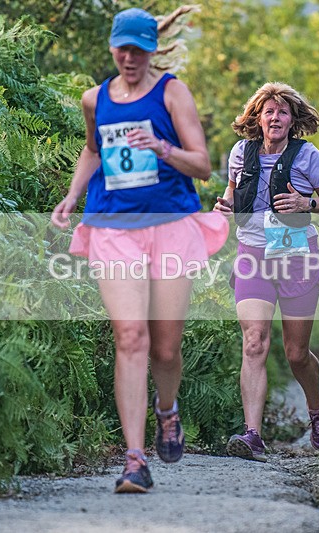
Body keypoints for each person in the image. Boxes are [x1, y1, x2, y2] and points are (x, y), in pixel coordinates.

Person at [50, 7, 227, 493]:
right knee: (131, 338)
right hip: (113, 227)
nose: (129, 58)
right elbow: (92, 150)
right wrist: (72, 195)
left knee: (166, 346)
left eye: (139, 49)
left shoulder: (172, 92)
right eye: (122, 48)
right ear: (112, 47)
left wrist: (162, 148)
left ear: (152, 50)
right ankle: (133, 460)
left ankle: (167, 410)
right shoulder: (95, 99)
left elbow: (204, 166)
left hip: (170, 224)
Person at [213, 82, 319, 461]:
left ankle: (317, 411)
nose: (275, 117)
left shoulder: (308, 156)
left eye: (282, 111)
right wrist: (224, 208)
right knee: (254, 341)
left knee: (297, 353)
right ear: (257, 117)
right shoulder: (241, 152)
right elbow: (233, 195)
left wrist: (308, 202)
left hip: (296, 253)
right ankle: (252, 434)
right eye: (268, 111)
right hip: (253, 252)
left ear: (292, 119)